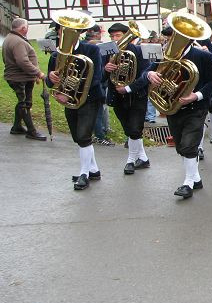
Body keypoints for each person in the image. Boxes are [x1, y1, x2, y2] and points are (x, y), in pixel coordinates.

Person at [145, 32, 212, 198]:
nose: (173, 40)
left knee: (189, 145)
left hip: (196, 107)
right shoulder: (166, 55)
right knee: (180, 146)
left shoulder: (203, 56)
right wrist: (150, 75)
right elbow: (148, 72)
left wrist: (196, 95)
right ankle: (196, 179)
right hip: (173, 106)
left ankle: (188, 183)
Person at [46, 21, 104, 190]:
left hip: (90, 99)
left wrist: (68, 91)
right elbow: (51, 83)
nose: (65, 34)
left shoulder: (91, 50)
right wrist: (51, 78)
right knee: (79, 137)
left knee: (83, 135)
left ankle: (84, 173)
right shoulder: (56, 55)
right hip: (70, 101)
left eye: (70, 31)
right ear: (58, 32)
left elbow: (96, 78)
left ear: (79, 33)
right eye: (62, 30)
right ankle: (93, 170)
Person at [103, 23, 151, 175]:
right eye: (112, 36)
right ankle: (143, 159)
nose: (115, 39)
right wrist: (106, 69)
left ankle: (130, 160)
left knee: (135, 128)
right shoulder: (108, 53)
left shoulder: (139, 51)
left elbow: (146, 76)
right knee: (130, 130)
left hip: (136, 96)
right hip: (117, 96)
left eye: (118, 36)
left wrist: (129, 87)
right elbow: (99, 77)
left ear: (127, 36)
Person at [2, 18, 47, 140]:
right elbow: (22, 61)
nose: (28, 29)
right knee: (25, 104)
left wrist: (33, 75)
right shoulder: (18, 41)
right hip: (19, 78)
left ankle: (16, 127)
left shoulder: (11, 38)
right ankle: (32, 132)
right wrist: (38, 73)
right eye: (27, 27)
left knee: (23, 102)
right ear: (23, 28)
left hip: (20, 77)